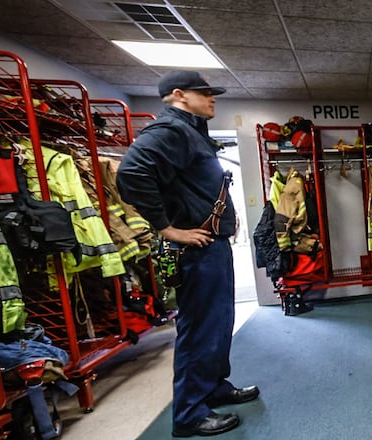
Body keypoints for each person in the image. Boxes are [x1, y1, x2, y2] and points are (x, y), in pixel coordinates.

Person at [116, 70, 259, 437]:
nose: (212, 99)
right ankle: (190, 413)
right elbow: (131, 174)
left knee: (217, 323)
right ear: (179, 95)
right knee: (199, 329)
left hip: (211, 245)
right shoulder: (171, 131)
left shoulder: (192, 131)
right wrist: (167, 228)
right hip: (195, 249)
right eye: (205, 93)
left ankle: (212, 388)